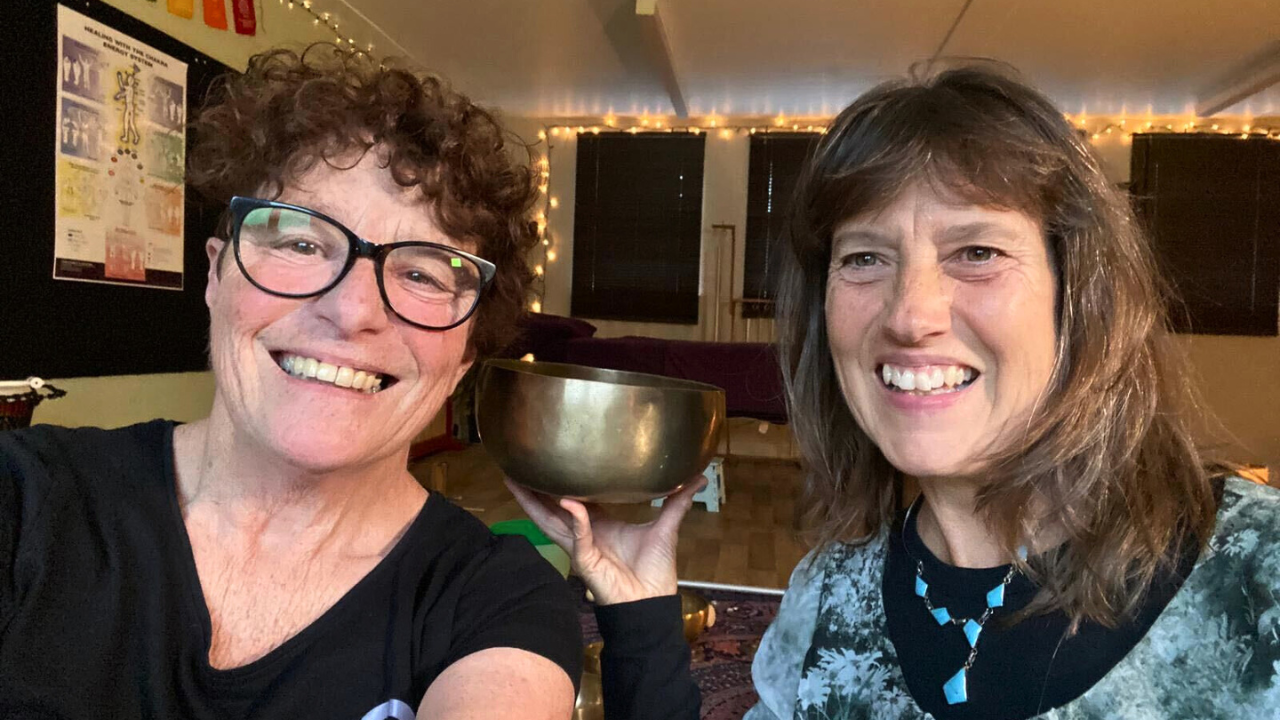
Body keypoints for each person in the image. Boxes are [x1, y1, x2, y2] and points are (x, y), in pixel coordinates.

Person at [517, 63, 1280, 720]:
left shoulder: (1260, 579)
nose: (910, 316)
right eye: (864, 258)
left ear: (1079, 296)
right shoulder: (827, 596)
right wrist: (638, 604)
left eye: (976, 251)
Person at [3, 44, 605, 719]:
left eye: (422, 274)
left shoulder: (498, 602)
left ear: (465, 358)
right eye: (302, 244)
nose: (351, 310)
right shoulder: (24, 499)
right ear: (217, 275)